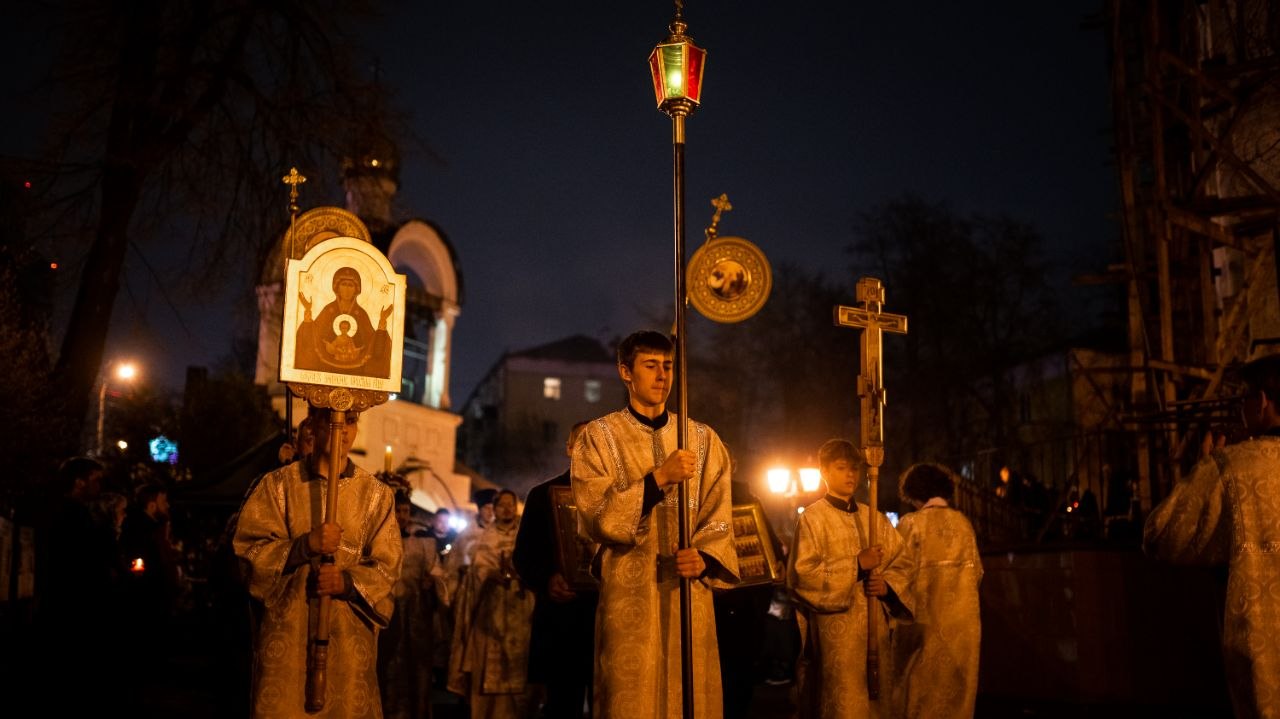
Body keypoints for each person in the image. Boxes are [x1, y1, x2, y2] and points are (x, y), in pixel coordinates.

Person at [571, 330, 739, 718]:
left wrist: (705, 559)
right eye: (650, 366)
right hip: (630, 597)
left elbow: (719, 518)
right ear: (625, 372)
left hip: (689, 598)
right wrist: (658, 479)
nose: (662, 376)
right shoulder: (597, 438)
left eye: (668, 366)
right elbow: (596, 515)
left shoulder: (703, 439)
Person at [233, 409, 402, 718]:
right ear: (311, 426)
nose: (343, 430)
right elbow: (248, 553)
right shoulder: (277, 486)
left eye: (350, 420)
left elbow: (388, 567)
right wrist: (303, 546)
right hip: (289, 641)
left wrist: (347, 584)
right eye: (331, 419)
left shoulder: (377, 496)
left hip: (348, 647)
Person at [1144, 353, 1280, 719]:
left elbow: (1162, 535)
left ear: (1263, 402)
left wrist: (1204, 470)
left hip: (1263, 670)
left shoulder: (1231, 467)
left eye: (1244, 399)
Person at [786, 438, 913, 719]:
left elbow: (903, 563)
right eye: (842, 468)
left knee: (876, 702)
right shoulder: (812, 518)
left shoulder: (873, 518)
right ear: (824, 473)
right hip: (836, 632)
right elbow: (801, 575)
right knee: (843, 702)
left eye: (854, 469)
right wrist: (856, 565)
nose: (850, 475)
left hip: (874, 627)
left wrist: (887, 587)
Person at [513, 420, 597, 718]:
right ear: (569, 448)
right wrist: (547, 580)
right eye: (581, 442)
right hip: (561, 621)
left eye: (595, 443)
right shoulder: (543, 495)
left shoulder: (620, 497)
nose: (588, 449)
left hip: (604, 620)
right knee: (562, 706)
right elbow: (523, 555)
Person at [891, 462, 982, 719]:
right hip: (963, 630)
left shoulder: (912, 524)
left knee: (920, 696)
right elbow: (978, 573)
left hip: (923, 626)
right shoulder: (964, 524)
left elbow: (896, 576)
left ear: (914, 493)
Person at [447, 489, 536, 717]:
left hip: (520, 608)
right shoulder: (486, 535)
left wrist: (522, 572)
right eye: (502, 505)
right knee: (487, 664)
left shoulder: (526, 534)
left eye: (510, 504)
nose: (507, 509)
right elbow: (479, 568)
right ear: (494, 509)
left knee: (521, 667)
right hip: (491, 608)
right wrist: (491, 573)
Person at [379, 483, 446, 719]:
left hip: (417, 609)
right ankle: (389, 709)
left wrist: (432, 579)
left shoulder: (423, 538)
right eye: (398, 511)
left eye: (406, 511)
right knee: (391, 662)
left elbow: (436, 567)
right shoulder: (380, 537)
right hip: (388, 607)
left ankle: (418, 710)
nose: (402, 517)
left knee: (417, 660)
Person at [295, 265, 393, 378]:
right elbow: (312, 336)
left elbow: (372, 343)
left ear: (356, 289)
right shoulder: (329, 310)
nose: (347, 289)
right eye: (344, 284)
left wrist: (382, 321)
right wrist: (307, 312)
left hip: (356, 370)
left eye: (350, 285)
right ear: (337, 287)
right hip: (326, 368)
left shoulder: (361, 314)